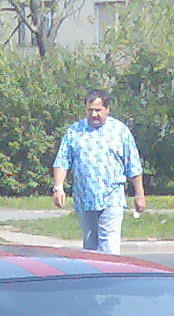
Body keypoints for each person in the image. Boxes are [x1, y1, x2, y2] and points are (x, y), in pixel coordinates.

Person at [52, 90, 146, 255]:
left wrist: (139, 195)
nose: (94, 114)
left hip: (111, 197)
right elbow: (62, 161)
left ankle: (110, 277)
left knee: (109, 246)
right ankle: (93, 279)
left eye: (98, 110)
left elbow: (133, 165)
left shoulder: (119, 131)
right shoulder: (75, 131)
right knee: (89, 248)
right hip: (84, 199)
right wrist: (58, 188)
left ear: (107, 109)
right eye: (90, 110)